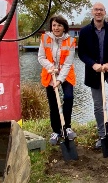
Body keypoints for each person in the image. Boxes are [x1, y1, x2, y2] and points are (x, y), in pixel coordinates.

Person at [78, 2, 108, 149]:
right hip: (94, 72)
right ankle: (102, 135)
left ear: (105, 12)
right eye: (96, 10)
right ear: (92, 12)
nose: (98, 12)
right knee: (99, 105)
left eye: (101, 10)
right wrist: (93, 64)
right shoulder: (85, 31)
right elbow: (81, 53)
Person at [38, 15, 77, 145]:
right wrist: (51, 67)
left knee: (69, 98)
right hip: (50, 74)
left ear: (64, 27)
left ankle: (67, 127)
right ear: (51, 27)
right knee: (53, 104)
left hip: (66, 75)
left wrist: (60, 79)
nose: (56, 28)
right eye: (54, 25)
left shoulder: (71, 41)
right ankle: (56, 131)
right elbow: (41, 57)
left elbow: (68, 63)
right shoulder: (44, 38)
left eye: (59, 25)